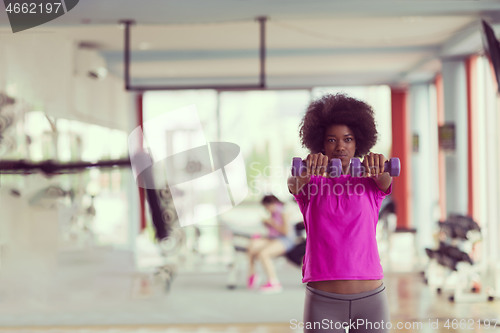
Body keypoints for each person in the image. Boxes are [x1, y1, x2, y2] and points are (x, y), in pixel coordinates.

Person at [288, 93, 393, 332]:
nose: (340, 146)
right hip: (323, 300)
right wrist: (304, 173)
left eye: (348, 139)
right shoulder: (310, 184)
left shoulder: (371, 183)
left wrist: (380, 165)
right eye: (331, 140)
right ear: (321, 144)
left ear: (358, 143)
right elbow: (293, 183)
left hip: (371, 299)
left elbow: (386, 179)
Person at [247, 194, 295, 293]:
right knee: (253, 245)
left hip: (285, 240)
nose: (266, 210)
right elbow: (272, 232)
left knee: (264, 254)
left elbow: (285, 232)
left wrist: (271, 223)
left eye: (266, 207)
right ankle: (253, 274)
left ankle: (274, 282)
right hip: (273, 238)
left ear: (272, 204)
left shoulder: (283, 212)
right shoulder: (273, 213)